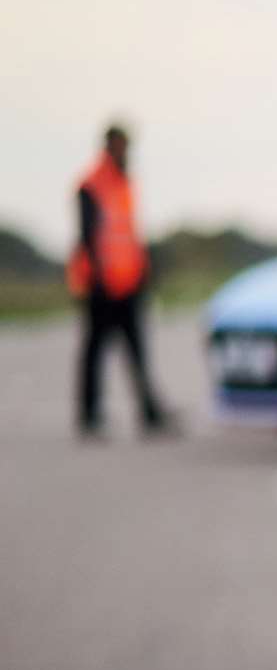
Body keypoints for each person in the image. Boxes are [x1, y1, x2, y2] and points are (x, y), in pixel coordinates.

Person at [69, 122, 169, 439]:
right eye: (121, 145)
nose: (126, 152)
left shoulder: (125, 182)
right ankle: (89, 416)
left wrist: (143, 273)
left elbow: (130, 233)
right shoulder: (92, 184)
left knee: (137, 350)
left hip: (128, 283)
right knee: (95, 351)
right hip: (101, 285)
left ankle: (150, 412)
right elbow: (88, 236)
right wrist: (100, 279)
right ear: (109, 145)